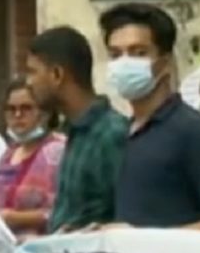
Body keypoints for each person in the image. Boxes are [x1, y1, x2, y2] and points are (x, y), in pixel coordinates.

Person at [100, 3, 200, 230]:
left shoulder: (193, 131)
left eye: (139, 53)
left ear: (165, 62)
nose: (124, 63)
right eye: (115, 55)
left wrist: (155, 242)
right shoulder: (127, 133)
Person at [25, 26, 129, 233]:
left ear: (57, 75)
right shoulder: (74, 132)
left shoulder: (111, 134)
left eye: (32, 72)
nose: (28, 82)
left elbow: (127, 219)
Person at [0, 79, 65, 238]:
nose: (17, 115)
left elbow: (69, 211)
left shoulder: (59, 151)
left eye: (26, 108)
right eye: (11, 109)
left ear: (45, 113)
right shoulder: (9, 154)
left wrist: (17, 218)